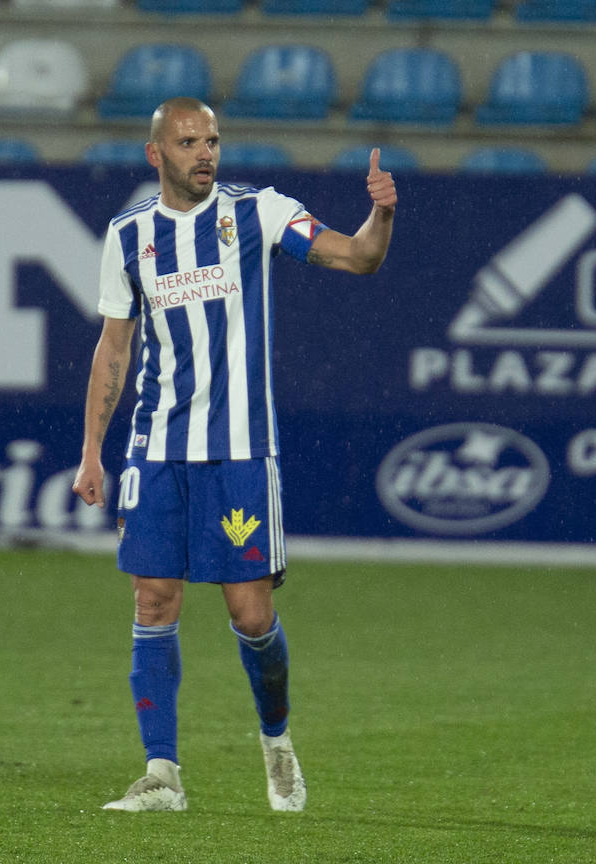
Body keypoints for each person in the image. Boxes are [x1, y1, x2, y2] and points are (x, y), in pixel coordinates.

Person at [72, 97, 397, 813]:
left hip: (241, 453)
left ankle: (277, 746)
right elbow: (114, 347)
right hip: (156, 450)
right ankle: (162, 775)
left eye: (213, 140)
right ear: (157, 153)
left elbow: (358, 256)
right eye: (189, 142)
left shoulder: (260, 213)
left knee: (251, 617)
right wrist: (93, 451)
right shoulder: (129, 237)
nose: (205, 153)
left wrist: (383, 216)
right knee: (153, 601)